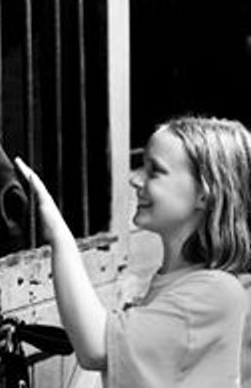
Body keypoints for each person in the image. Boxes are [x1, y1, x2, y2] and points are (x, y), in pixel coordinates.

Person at [14, 115, 251, 388]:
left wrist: (58, 232)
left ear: (204, 194)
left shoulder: (216, 291)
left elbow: (96, 348)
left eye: (155, 171)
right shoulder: (178, 280)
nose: (135, 179)